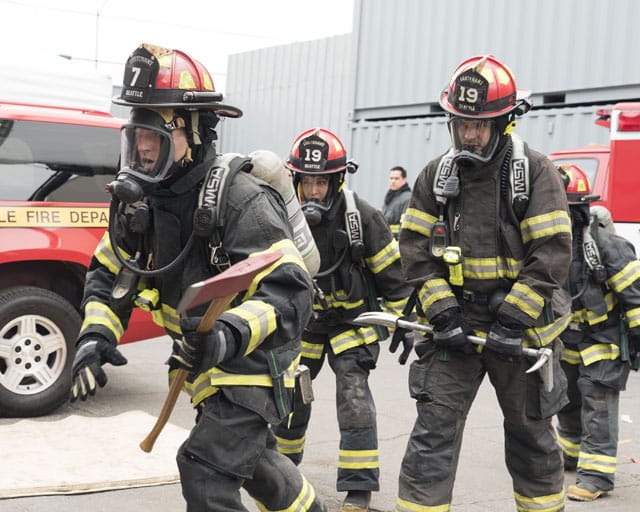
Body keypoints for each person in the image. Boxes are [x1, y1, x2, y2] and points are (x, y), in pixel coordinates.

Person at [68, 43, 326, 512]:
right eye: (137, 131)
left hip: (255, 364)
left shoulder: (240, 198)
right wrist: (95, 336)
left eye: (155, 132)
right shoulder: (142, 200)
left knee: (205, 470)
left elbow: (290, 290)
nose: (143, 147)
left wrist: (226, 335)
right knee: (257, 465)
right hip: (203, 363)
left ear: (195, 129)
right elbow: (110, 272)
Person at [396, 55, 573, 512]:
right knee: (433, 433)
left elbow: (551, 255)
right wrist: (443, 313)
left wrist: (513, 321)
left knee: (531, 435)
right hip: (456, 323)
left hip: (521, 329)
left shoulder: (535, 173)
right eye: (461, 124)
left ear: (505, 122)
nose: (469, 135)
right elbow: (415, 251)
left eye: (480, 125)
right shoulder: (435, 176)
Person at [272, 128, 413, 512]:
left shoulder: (362, 216)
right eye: (307, 182)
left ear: (337, 181)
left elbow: (393, 275)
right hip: (305, 325)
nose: (314, 192)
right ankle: (282, 471)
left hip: (353, 324)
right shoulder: (283, 217)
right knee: (290, 397)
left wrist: (405, 322)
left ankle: (358, 487)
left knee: (353, 398)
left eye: (322, 183)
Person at [555, 164, 640, 502]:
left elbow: (635, 296)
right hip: (567, 339)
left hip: (603, 341)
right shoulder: (548, 246)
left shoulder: (606, 245)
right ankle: (572, 455)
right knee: (566, 398)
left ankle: (596, 476)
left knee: (597, 403)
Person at [382, 165, 412, 239]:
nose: (393, 181)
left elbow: (405, 224)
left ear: (404, 179)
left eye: (396, 178)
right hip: (386, 240)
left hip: (397, 241)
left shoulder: (408, 198)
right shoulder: (389, 197)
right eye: (391, 178)